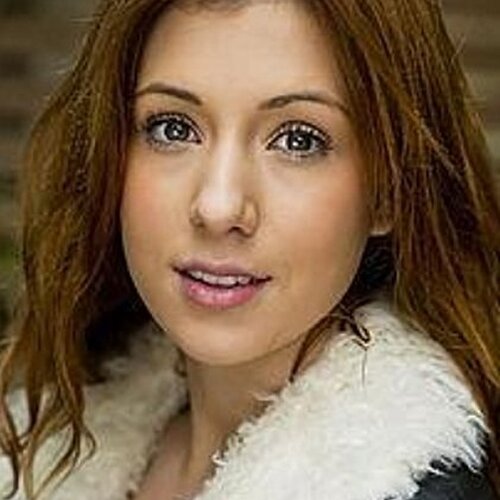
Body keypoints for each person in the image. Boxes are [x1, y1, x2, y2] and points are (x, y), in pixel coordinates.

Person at [0, 0, 499, 498]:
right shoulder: (39, 455)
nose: (218, 207)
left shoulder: (421, 486)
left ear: (388, 191)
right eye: (173, 128)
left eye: (298, 140)